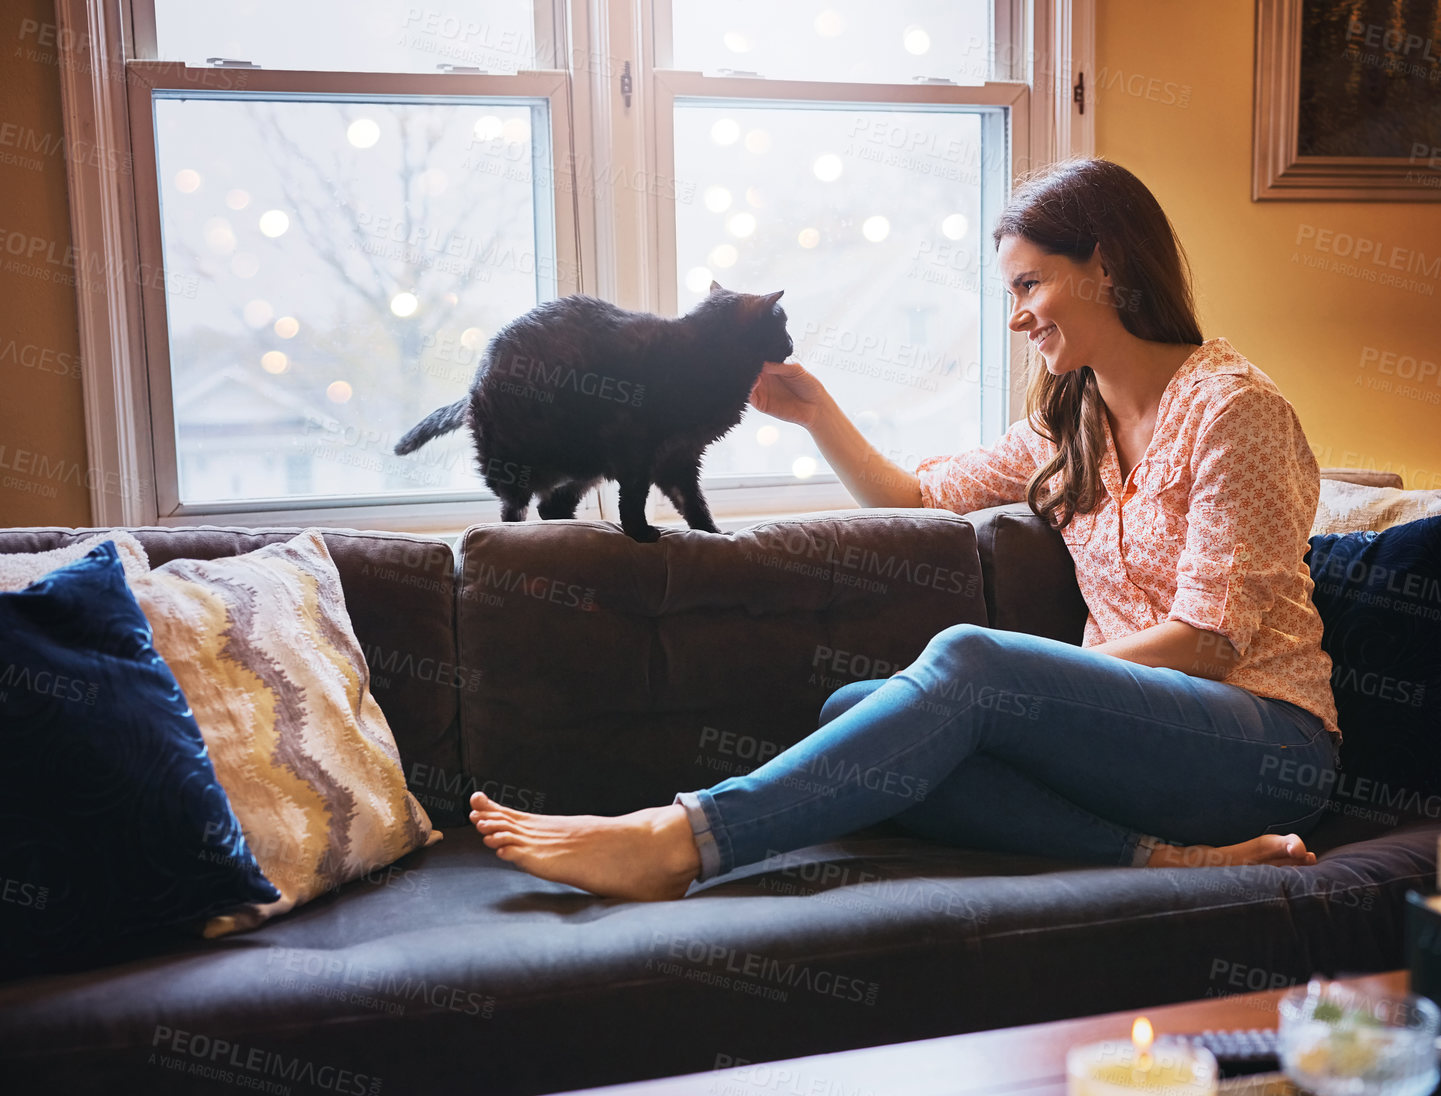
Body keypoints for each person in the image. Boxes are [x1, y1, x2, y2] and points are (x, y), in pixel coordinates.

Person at [469, 157, 1341, 901]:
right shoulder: (1067, 420)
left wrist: (1013, 686)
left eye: (1029, 284)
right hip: (1138, 756)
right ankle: (1169, 862)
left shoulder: (1233, 410)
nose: (1016, 314)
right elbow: (918, 495)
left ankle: (677, 842)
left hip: (1262, 745)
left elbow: (1208, 643)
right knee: (862, 713)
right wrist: (817, 415)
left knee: (969, 663)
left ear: (1105, 266)